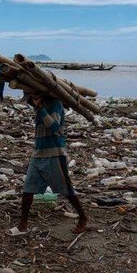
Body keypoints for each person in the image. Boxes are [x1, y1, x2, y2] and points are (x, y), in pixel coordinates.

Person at [10, 92, 92, 235]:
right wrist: (38, 109)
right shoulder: (39, 107)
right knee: (28, 189)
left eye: (29, 99)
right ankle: (23, 225)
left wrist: (40, 109)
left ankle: (83, 218)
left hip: (54, 154)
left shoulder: (55, 104)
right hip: (38, 154)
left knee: (66, 189)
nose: (28, 102)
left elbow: (55, 128)